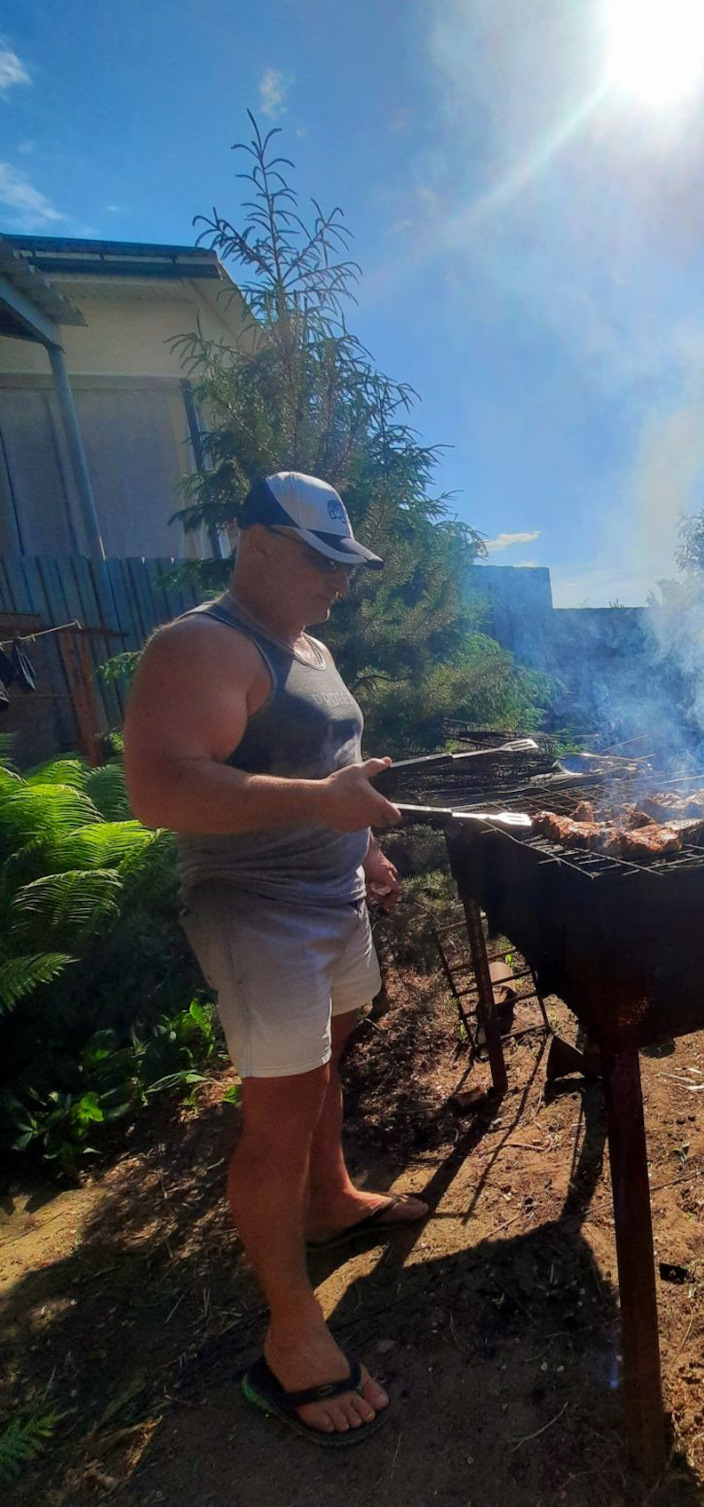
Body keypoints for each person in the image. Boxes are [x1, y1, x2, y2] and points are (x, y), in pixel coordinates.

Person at [124, 470, 427, 1446]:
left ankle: (329, 1202)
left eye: (348, 563)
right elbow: (161, 787)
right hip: (258, 915)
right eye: (323, 559)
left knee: (324, 1071)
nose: (341, 581)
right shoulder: (202, 645)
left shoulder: (316, 648)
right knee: (277, 1117)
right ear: (257, 542)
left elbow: (326, 767)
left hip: (334, 899)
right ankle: (292, 1339)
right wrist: (319, 809)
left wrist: (366, 848)